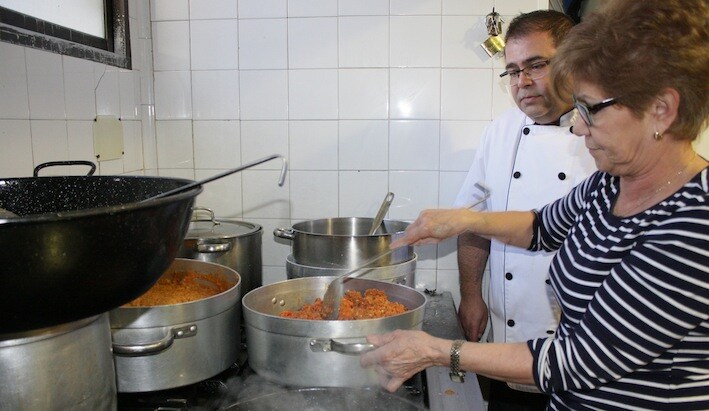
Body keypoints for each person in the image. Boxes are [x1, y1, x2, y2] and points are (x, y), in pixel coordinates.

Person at [361, 0, 709, 409]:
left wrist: (437, 351)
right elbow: (541, 228)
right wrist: (460, 219)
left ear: (661, 111)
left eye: (589, 110)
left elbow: (578, 359)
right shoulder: (610, 183)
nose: (577, 127)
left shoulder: (693, 224)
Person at [454, 10, 596, 410]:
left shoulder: (606, 135)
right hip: (508, 344)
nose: (523, 82)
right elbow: (473, 220)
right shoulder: (499, 131)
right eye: (513, 71)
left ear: (573, 62)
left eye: (536, 65)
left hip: (583, 356)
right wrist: (470, 295)